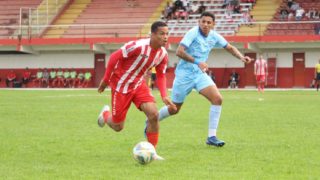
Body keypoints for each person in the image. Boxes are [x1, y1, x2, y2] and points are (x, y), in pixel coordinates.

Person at [144, 12, 251, 147]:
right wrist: (197, 62)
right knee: (174, 109)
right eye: (203, 21)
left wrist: (241, 57)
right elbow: (179, 51)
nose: (205, 24)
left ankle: (211, 137)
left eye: (208, 22)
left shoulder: (214, 36)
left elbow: (229, 47)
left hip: (199, 75)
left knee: (217, 99)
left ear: (213, 24)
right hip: (184, 76)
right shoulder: (192, 33)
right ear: (199, 22)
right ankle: (151, 120)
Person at [97, 21, 176, 160]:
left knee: (154, 115)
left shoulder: (163, 54)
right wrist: (105, 80)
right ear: (153, 35)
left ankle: (152, 152)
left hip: (139, 85)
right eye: (162, 33)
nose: (166, 37)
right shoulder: (138, 46)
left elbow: (161, 74)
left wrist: (164, 96)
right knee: (117, 126)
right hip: (121, 86)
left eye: (167, 34)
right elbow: (115, 56)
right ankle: (105, 114)